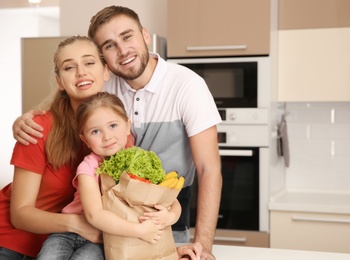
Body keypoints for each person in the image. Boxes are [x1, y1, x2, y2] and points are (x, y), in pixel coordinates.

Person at [12, 5, 223, 259]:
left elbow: (209, 170)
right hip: (103, 224)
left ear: (145, 35)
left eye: (127, 36)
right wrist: (29, 116)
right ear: (105, 61)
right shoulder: (105, 85)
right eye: (109, 45)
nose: (122, 51)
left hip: (160, 214)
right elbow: (70, 92)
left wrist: (204, 246)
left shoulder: (187, 86)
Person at [37, 92, 182, 259]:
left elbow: (172, 201)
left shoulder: (140, 161)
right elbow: (94, 215)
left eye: (113, 126)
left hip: (105, 238)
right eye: (95, 131)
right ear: (85, 140)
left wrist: (168, 217)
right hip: (67, 232)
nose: (107, 137)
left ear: (128, 126)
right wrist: (139, 231)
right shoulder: (88, 167)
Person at [0, 35, 108, 260]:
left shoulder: (115, 132)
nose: (81, 72)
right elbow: (20, 214)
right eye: (69, 67)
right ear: (60, 81)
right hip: (12, 241)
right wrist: (79, 224)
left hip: (65, 243)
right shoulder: (37, 128)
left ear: (105, 71)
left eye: (89, 63)